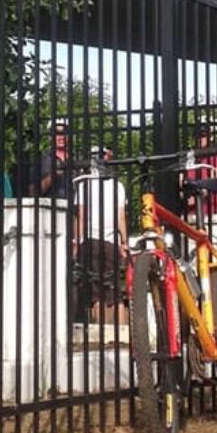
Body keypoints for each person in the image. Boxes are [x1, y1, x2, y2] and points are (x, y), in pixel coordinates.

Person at [73, 146, 128, 322]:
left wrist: (77, 241)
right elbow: (121, 218)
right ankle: (121, 335)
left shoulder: (84, 185)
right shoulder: (117, 186)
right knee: (116, 293)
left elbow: (81, 217)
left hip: (91, 241)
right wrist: (124, 242)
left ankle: (101, 334)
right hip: (111, 242)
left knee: (95, 294)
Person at [37, 116, 72, 200]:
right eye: (56, 133)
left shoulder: (77, 158)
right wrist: (52, 176)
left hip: (74, 209)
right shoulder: (41, 159)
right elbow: (33, 191)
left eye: (64, 132)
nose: (61, 137)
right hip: (51, 209)